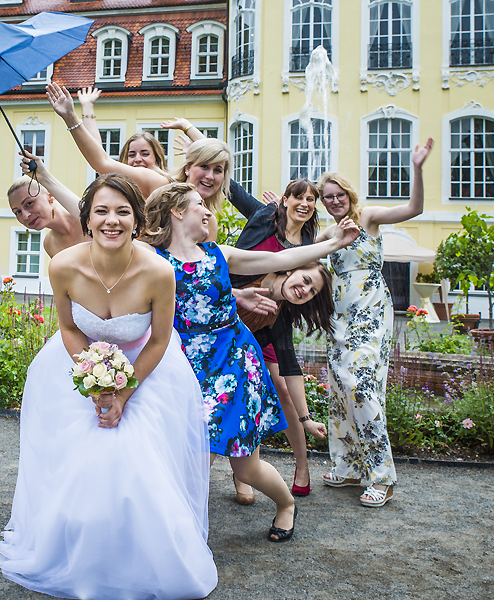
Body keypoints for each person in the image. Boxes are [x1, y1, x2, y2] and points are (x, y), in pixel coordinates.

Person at [0, 174, 217, 599]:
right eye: (101, 211)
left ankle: (145, 553)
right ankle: (77, 546)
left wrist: (124, 391)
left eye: (122, 212)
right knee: (80, 456)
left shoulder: (158, 272)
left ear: (137, 220)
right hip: (79, 362)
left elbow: (159, 340)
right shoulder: (63, 266)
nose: (111, 220)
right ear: (88, 219)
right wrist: (95, 382)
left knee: (135, 456)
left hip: (147, 367)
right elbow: (68, 327)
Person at [143, 182, 357, 542]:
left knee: (231, 460)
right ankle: (171, 533)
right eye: (199, 205)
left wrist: (333, 243)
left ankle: (285, 504)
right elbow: (101, 231)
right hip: (181, 364)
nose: (208, 210)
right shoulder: (152, 258)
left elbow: (279, 260)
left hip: (233, 363)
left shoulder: (219, 254)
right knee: (196, 453)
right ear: (177, 213)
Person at [163, 117, 325, 502]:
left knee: (283, 384)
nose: (304, 203)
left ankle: (296, 468)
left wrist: (332, 243)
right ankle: (236, 476)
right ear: (284, 199)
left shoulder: (307, 241)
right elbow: (218, 175)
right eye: (297, 196)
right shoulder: (260, 215)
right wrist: (190, 129)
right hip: (227, 307)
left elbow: (307, 273)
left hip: (268, 314)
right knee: (199, 422)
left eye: (311, 199)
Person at [315, 136, 434, 508]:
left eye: (338, 195)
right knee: (339, 385)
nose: (334, 201)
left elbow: (414, 208)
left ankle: (382, 476)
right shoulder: (327, 234)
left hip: (373, 311)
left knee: (361, 384)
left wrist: (416, 167)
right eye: (327, 197)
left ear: (349, 195)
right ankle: (349, 466)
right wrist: (278, 211)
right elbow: (293, 254)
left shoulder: (367, 217)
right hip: (341, 317)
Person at [45, 82, 172, 199]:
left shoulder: (158, 180)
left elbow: (101, 161)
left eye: (145, 153)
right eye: (131, 154)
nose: (138, 159)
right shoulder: (123, 185)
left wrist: (70, 117)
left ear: (158, 158)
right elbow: (97, 152)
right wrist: (87, 106)